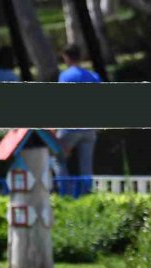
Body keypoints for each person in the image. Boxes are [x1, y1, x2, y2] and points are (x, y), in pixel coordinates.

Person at [52, 44, 102, 195]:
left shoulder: (65, 76)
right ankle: (86, 194)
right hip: (89, 127)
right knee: (86, 165)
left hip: (70, 127)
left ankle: (65, 193)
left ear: (66, 57)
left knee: (57, 157)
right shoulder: (93, 76)